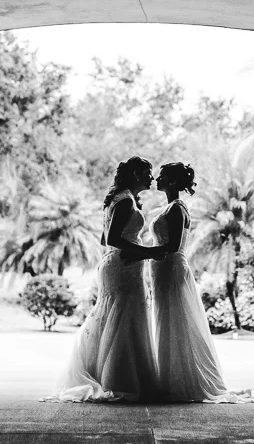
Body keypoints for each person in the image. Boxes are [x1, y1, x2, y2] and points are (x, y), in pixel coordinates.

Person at [43, 156, 166, 402]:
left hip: (119, 263)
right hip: (123, 266)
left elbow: (104, 239)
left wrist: (134, 249)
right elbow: (111, 239)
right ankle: (120, 380)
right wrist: (148, 252)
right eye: (147, 173)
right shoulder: (125, 201)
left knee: (120, 317)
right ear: (135, 174)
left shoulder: (121, 199)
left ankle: (112, 375)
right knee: (124, 318)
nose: (151, 178)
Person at [149, 162, 254, 403]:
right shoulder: (172, 207)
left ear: (173, 181)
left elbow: (172, 246)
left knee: (174, 320)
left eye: (162, 176)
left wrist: (142, 253)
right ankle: (170, 377)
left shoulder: (176, 209)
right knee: (166, 320)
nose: (157, 180)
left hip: (170, 269)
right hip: (163, 270)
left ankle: (179, 381)